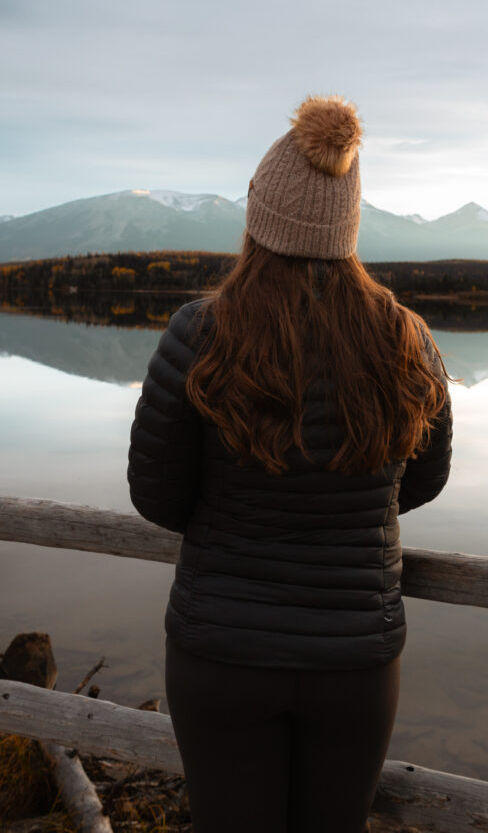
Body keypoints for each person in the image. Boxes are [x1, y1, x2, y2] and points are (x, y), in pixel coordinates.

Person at [127, 94, 453, 833]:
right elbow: (422, 480)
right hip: (356, 660)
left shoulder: (199, 331)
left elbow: (157, 495)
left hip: (221, 652)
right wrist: (339, 507)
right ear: (349, 226)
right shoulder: (405, 336)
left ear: (257, 220)